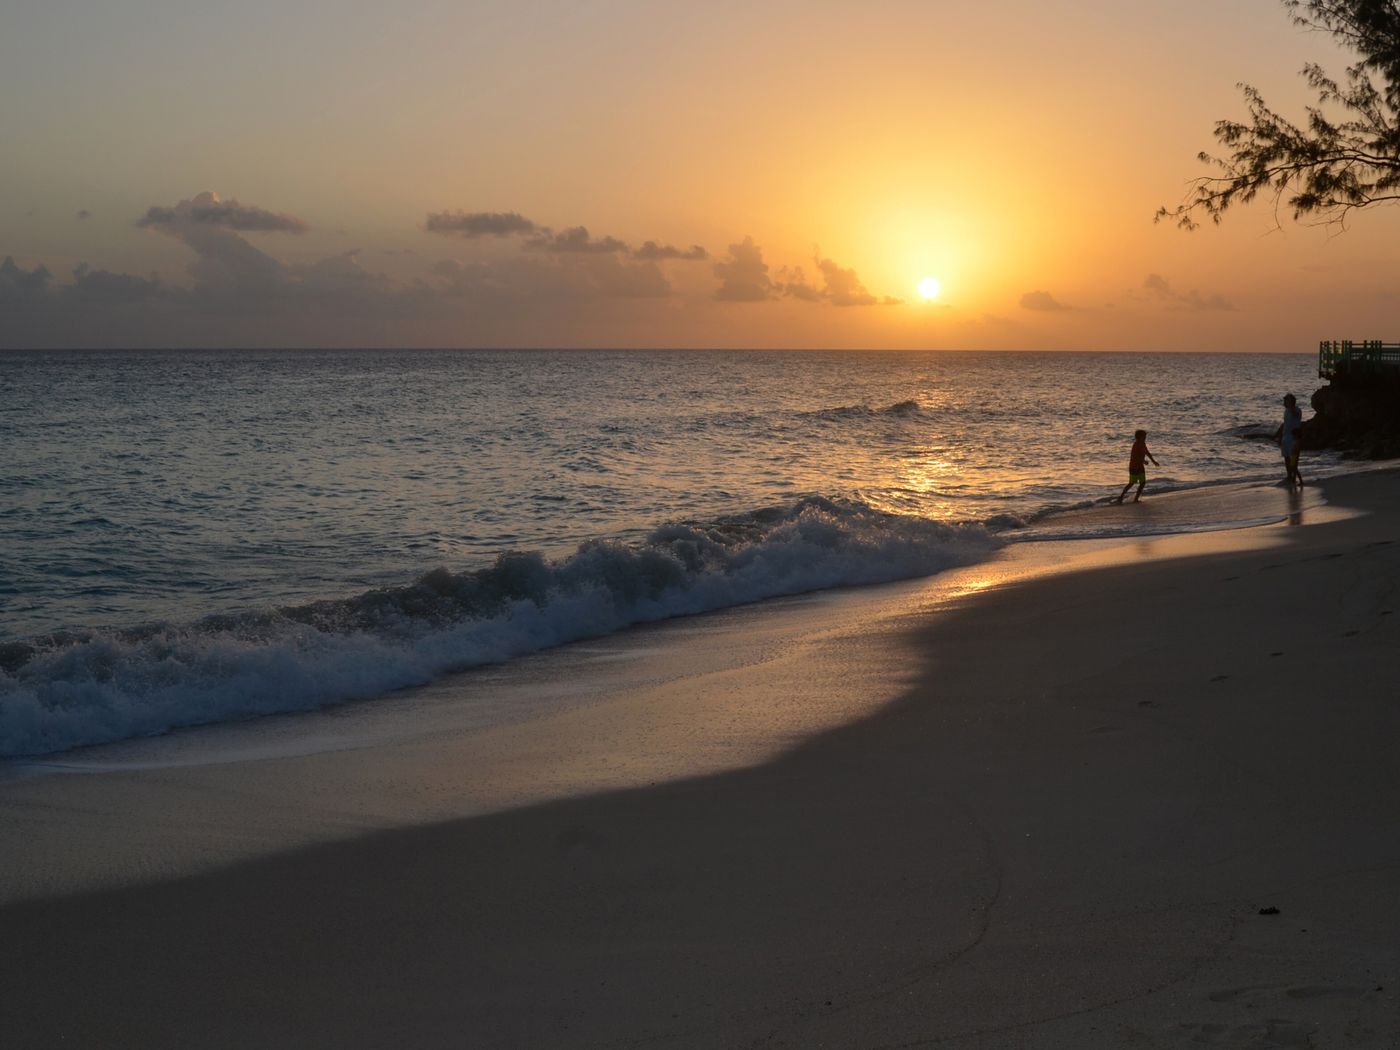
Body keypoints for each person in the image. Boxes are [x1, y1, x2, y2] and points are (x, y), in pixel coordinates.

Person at [1114, 429, 1159, 504]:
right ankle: (1120, 498)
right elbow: (1135, 456)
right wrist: (1143, 461)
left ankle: (1136, 499)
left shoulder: (1143, 444)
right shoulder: (1136, 445)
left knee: (1143, 482)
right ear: (1140, 437)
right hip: (1134, 466)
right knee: (1131, 483)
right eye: (1144, 436)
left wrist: (1153, 461)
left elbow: (1147, 453)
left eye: (1145, 436)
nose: (1145, 437)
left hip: (1140, 466)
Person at [1276, 393, 1304, 488]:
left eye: (1287, 400)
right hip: (1285, 437)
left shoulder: (1297, 410)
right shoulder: (1286, 411)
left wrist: (1291, 406)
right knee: (1286, 458)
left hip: (1294, 438)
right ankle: (1289, 476)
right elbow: (1285, 423)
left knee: (1293, 460)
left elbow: (1296, 416)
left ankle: (1294, 478)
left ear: (1291, 401)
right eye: (1285, 401)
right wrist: (1280, 436)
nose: (1285, 402)